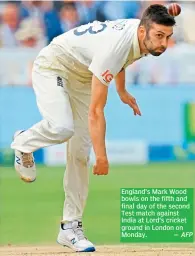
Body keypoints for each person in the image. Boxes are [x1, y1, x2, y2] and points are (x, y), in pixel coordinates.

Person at [11, 4, 176, 253]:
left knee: (79, 153)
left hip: (83, 75)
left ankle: (70, 228)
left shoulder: (144, 35)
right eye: (159, 36)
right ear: (143, 31)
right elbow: (96, 111)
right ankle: (23, 142)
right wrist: (101, 156)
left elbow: (122, 59)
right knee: (61, 127)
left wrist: (121, 90)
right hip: (54, 66)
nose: (164, 43)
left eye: (168, 37)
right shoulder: (117, 47)